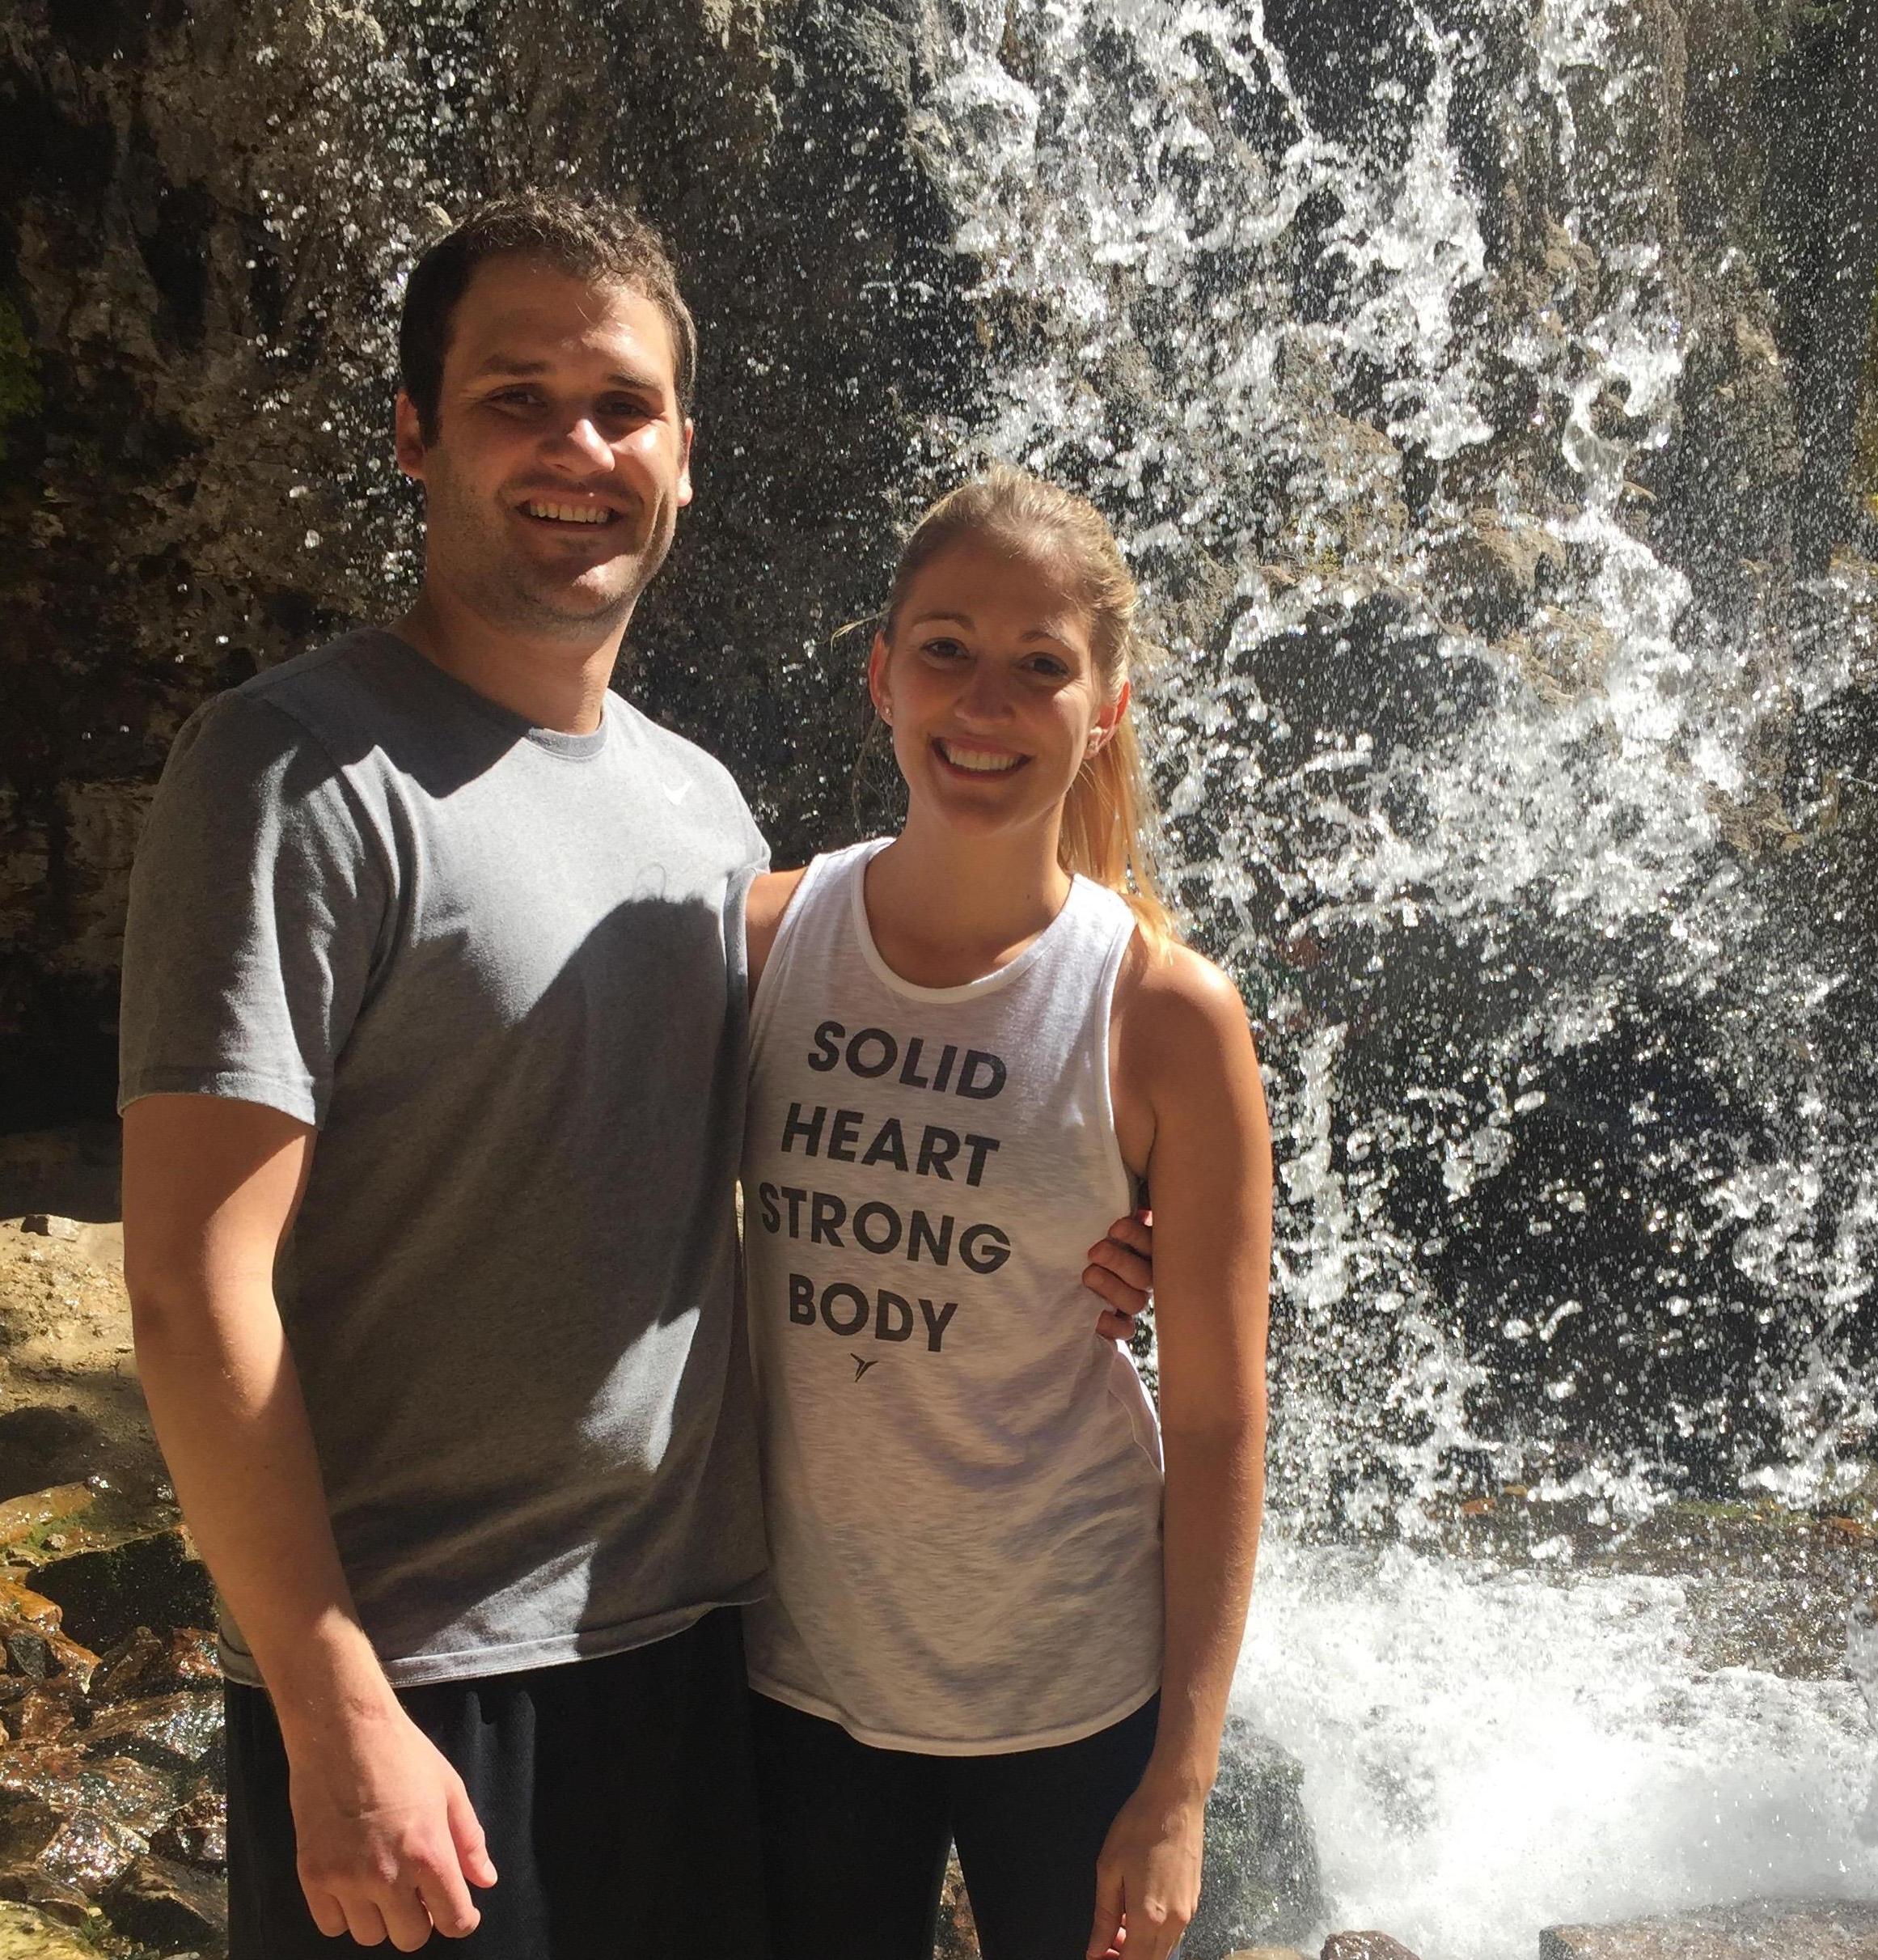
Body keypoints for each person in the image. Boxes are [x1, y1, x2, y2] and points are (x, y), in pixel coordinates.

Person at [116, 195, 1154, 1958]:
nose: (577, 450)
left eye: (621, 405)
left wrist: (1090, 1229)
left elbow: (823, 1139)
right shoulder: (294, 773)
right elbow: (189, 1279)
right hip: (430, 1685)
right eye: (517, 397)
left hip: (706, 1662)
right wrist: (327, 1700)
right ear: (414, 434)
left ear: (685, 455)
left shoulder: (703, 808)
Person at [741, 468, 1272, 1960]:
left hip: (1075, 1693)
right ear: (880, 673)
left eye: (1042, 665)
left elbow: (1225, 1420)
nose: (985, 703)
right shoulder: (767, 944)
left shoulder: (1164, 1013)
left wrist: (1183, 1779)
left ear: (1104, 705)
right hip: (802, 1682)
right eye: (947, 649)